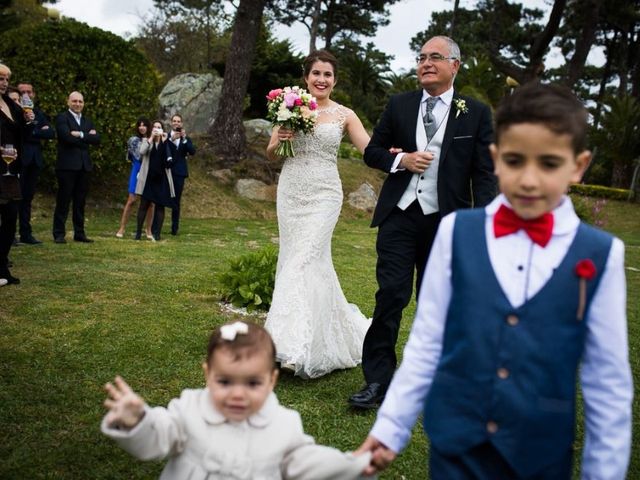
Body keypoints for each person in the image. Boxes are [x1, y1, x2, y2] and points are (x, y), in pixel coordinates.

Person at [356, 82, 633, 479]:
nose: (530, 180)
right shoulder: (457, 232)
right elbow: (428, 342)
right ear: (495, 158)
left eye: (549, 164)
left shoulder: (601, 254)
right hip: (455, 447)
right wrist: (391, 429)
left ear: (579, 165)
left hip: (540, 452)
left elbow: (607, 380)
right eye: (516, 161)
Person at [349, 35, 497, 408]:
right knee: (390, 297)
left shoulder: (475, 113)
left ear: (455, 65)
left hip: (446, 222)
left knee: (439, 303)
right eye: (421, 57)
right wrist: (402, 161)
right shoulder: (400, 104)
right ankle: (378, 381)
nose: (426, 63)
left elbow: (484, 175)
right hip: (398, 217)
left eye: (435, 57)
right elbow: (372, 151)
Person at [101, 321, 372, 479]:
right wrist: (138, 420)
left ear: (271, 380)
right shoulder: (189, 409)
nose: (238, 394)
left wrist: (355, 464)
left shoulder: (284, 425)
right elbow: (160, 436)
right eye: (225, 381)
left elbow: (307, 462)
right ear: (208, 375)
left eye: (253, 383)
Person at [264, 50, 373, 379]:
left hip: (325, 194)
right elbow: (271, 152)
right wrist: (280, 139)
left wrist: (396, 151)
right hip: (292, 190)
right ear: (306, 77)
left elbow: (369, 148)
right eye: (316, 74)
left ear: (334, 80)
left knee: (304, 258)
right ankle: (303, 338)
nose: (321, 79)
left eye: (327, 74)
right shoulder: (290, 105)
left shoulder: (344, 114)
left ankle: (288, 345)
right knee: (297, 259)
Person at [52, 91, 100, 244]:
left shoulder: (87, 120)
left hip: (84, 166)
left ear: (83, 103)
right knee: (63, 200)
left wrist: (79, 134)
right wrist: (86, 136)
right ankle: (59, 233)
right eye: (74, 101)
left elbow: (97, 139)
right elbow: (65, 137)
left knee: (80, 201)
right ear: (68, 102)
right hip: (67, 166)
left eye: (80, 101)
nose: (77, 104)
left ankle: (79, 233)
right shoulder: (62, 118)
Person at [16, 82, 55, 245]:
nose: (26, 94)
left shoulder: (38, 113)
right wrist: (37, 131)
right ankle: (10, 235)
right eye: (22, 92)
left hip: (34, 160)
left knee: (28, 197)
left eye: (29, 92)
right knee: (14, 198)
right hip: (18, 159)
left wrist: (33, 131)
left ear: (34, 94)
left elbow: (51, 132)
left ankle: (26, 233)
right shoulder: (14, 113)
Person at [0, 64, 26, 285]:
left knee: (10, 218)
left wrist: (28, 117)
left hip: (10, 170)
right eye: (0, 78)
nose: (4, 82)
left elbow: (23, 132)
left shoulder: (11, 104)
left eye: (7, 79)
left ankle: (2, 268)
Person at [136, 120, 176, 241]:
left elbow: (171, 159)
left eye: (159, 127)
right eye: (155, 127)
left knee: (160, 206)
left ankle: (157, 233)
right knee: (144, 205)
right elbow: (141, 152)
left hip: (162, 179)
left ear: (163, 130)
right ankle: (138, 233)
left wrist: (165, 141)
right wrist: (151, 137)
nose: (157, 129)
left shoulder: (166, 143)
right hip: (149, 178)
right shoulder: (146, 141)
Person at [116, 117, 153, 239]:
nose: (142, 127)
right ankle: (122, 227)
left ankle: (148, 230)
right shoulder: (133, 140)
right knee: (131, 199)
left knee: (150, 203)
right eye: (140, 125)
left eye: (144, 125)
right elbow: (139, 154)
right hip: (137, 169)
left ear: (148, 127)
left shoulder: (153, 140)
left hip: (149, 171)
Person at [167, 113, 195, 236]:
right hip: (166, 171)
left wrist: (184, 138)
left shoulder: (186, 139)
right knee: (160, 198)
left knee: (176, 201)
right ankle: (155, 226)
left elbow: (192, 151)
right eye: (174, 121)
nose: (176, 123)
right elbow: (163, 148)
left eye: (178, 121)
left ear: (181, 124)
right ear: (171, 122)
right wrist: (171, 140)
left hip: (179, 173)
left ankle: (174, 227)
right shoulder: (166, 136)